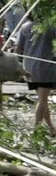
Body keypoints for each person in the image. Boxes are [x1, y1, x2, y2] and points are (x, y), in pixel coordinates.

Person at [14, 8, 56, 139]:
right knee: (43, 100)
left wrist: (19, 65)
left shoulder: (25, 27)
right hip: (46, 67)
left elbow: (18, 48)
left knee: (41, 98)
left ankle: (51, 128)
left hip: (30, 68)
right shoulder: (51, 27)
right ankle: (36, 129)